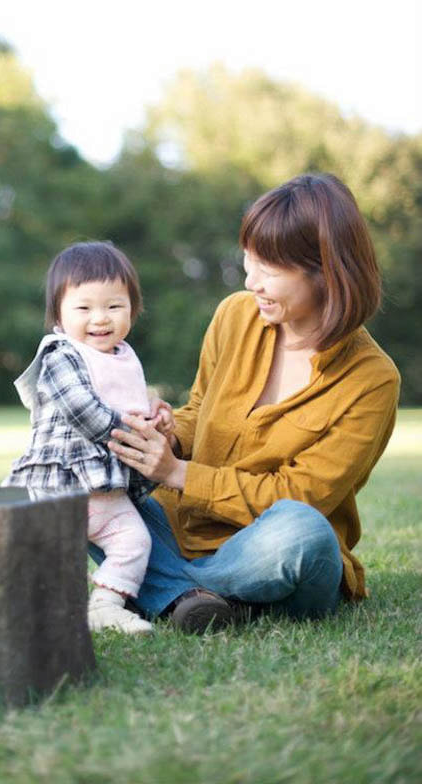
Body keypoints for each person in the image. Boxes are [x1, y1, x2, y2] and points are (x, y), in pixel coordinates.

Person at [103, 173, 400, 633]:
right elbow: (199, 409)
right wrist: (167, 433)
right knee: (77, 482)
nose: (251, 281)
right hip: (184, 531)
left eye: (270, 270)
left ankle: (167, 588)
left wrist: (178, 473)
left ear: (327, 271)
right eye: (249, 262)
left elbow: (302, 496)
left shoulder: (373, 380)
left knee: (304, 532)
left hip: (270, 548)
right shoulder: (235, 315)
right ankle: (207, 599)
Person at [2, 241, 174, 634]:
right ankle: (29, 606)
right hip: (60, 486)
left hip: (107, 491)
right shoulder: (61, 356)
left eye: (114, 306)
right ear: (59, 315)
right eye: (84, 308)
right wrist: (139, 431)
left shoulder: (123, 356)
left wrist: (156, 418)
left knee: (135, 542)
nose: (100, 318)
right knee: (44, 555)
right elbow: (85, 412)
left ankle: (105, 606)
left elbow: (129, 406)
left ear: (133, 309)